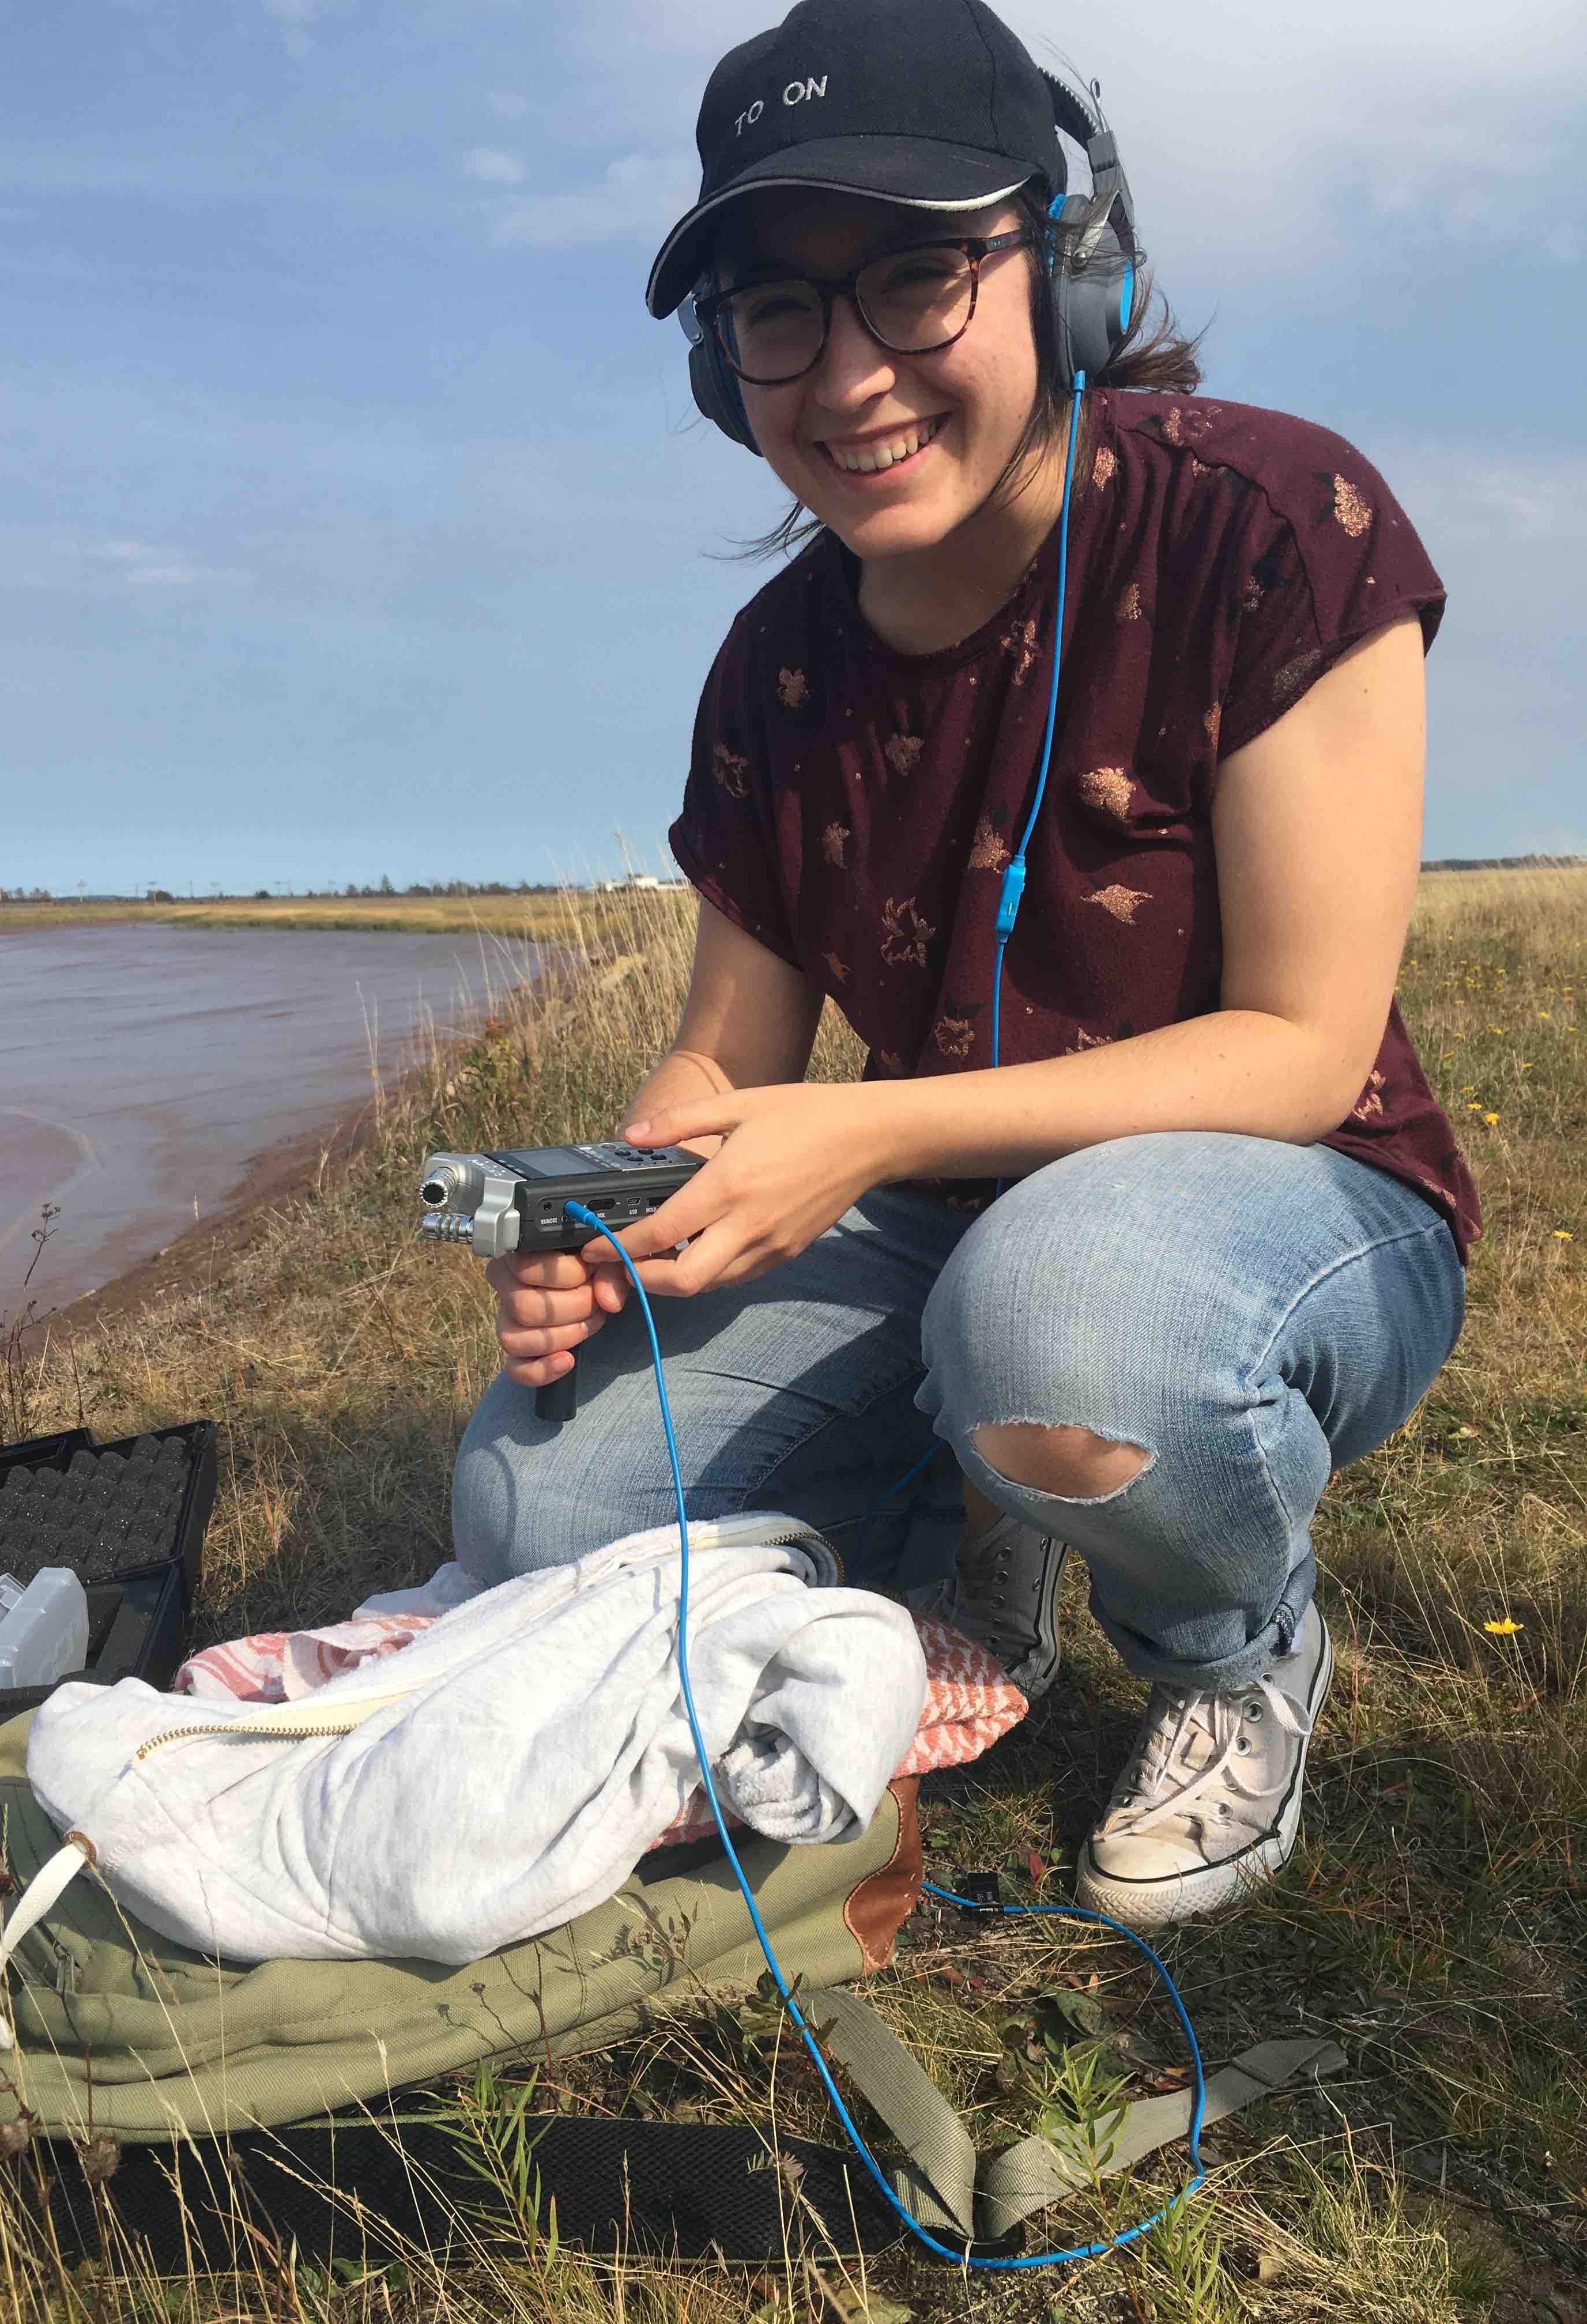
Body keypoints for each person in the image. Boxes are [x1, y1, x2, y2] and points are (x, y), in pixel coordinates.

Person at [452, 0, 1474, 1930]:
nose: (848, 377)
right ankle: (965, 1516)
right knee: (533, 1510)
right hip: (940, 1216)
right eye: (778, 315)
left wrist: (862, 1135)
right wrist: (622, 1209)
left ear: (1069, 267)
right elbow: (722, 1065)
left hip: (1297, 1202)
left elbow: (1305, 1052)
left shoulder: (1273, 524)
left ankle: (1233, 1645)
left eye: (918, 279)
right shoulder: (773, 667)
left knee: (1058, 1328)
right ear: (716, 366)